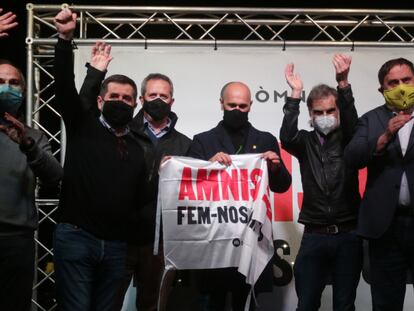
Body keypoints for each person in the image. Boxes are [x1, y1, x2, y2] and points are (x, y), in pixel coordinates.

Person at [53, 9, 147, 310]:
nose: (121, 102)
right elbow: (65, 90)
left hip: (117, 247)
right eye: (114, 97)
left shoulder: (137, 147)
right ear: (99, 100)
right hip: (77, 239)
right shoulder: (84, 126)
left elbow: (138, 199)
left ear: (135, 105)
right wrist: (65, 40)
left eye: (127, 99)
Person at [187, 81, 291, 311]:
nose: (236, 110)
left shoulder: (265, 140)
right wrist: (207, 166)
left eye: (242, 106)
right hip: (214, 240)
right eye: (231, 105)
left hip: (251, 239)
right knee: (211, 303)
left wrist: (274, 167)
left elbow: (282, 186)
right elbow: (188, 188)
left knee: (246, 304)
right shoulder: (202, 141)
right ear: (221, 103)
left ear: (251, 106)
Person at [280, 55, 362, 311]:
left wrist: (344, 84)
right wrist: (295, 95)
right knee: (306, 304)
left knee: (344, 305)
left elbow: (353, 121)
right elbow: (287, 136)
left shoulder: (350, 138)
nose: (325, 116)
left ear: (338, 111)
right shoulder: (303, 142)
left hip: (348, 235)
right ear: (311, 115)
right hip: (314, 236)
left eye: (330, 111)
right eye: (318, 112)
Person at [0, 9, 63, 311]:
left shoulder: (33, 136)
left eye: (14, 83)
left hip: (19, 239)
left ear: (24, 92)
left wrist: (27, 145)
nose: (8, 87)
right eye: (1, 81)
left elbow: (54, 176)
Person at [344, 57, 414, 311]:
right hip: (385, 227)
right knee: (385, 302)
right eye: (393, 83)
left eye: (406, 80)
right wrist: (385, 136)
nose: (401, 87)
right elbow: (352, 157)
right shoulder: (371, 119)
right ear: (382, 90)